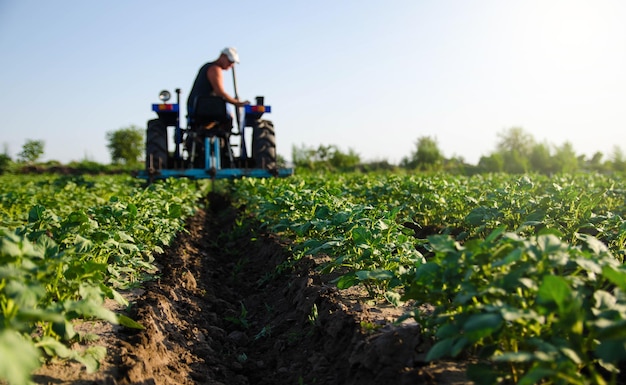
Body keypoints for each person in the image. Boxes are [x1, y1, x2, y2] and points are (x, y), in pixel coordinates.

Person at [187, 47, 249, 123]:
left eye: (233, 63)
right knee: (228, 112)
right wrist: (238, 103)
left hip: (196, 106)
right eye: (230, 61)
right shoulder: (215, 69)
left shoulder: (208, 67)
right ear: (222, 56)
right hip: (203, 107)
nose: (231, 65)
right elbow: (219, 92)